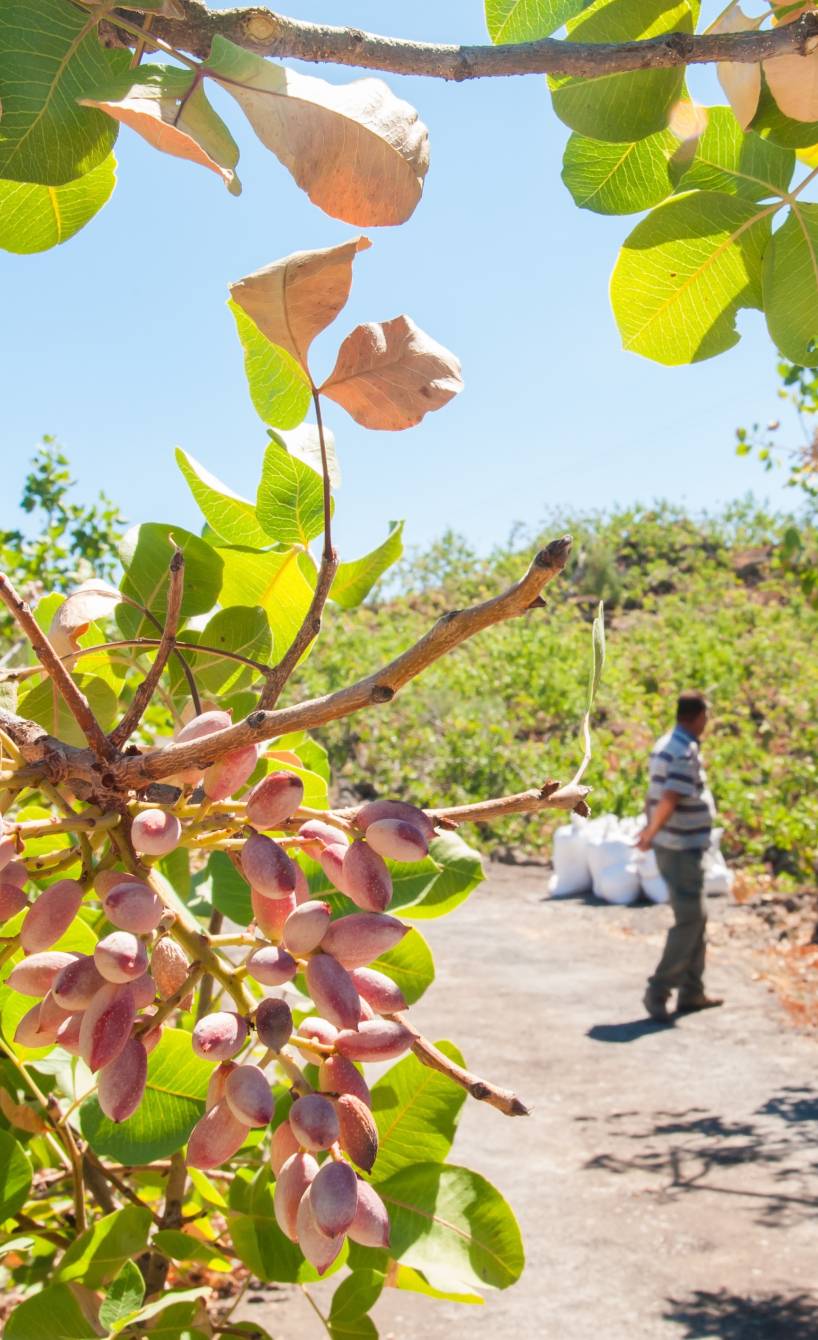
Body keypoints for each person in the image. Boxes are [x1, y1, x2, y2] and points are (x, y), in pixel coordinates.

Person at [636, 691, 723, 1023]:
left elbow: (654, 794)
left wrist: (650, 830)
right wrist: (651, 833)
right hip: (679, 848)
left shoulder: (666, 744)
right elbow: (670, 797)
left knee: (696, 918)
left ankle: (692, 991)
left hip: (676, 845)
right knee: (689, 920)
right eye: (707, 715)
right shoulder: (683, 750)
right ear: (697, 716)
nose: (707, 722)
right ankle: (659, 989)